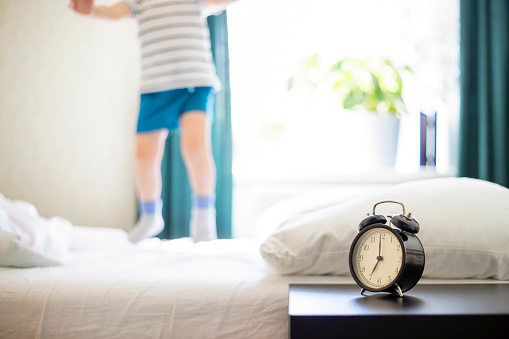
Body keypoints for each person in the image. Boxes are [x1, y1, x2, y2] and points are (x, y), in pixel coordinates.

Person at [69, 0, 237, 243]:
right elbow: (115, 12)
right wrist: (91, 11)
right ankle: (150, 216)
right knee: (144, 157)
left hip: (193, 80)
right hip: (155, 85)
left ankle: (203, 217)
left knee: (195, 149)